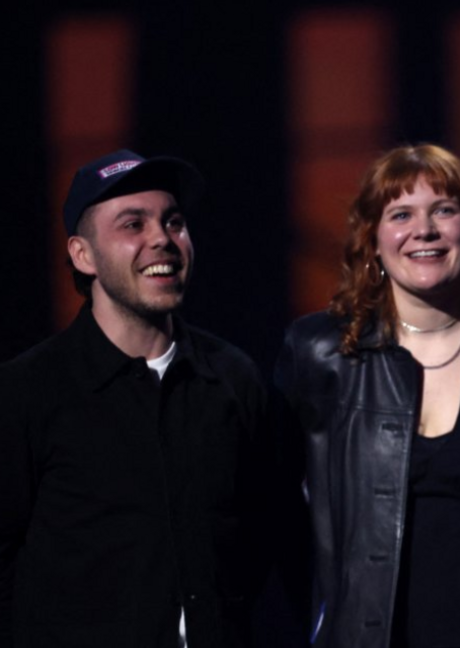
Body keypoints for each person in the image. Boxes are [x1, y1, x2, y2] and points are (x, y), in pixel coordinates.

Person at [274, 145, 460, 648]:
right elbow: (275, 515)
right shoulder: (320, 354)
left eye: (444, 210)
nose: (424, 230)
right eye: (401, 214)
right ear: (372, 238)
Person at [0, 150, 271, 647]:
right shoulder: (25, 392)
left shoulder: (234, 379)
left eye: (173, 221)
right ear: (83, 255)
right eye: (133, 224)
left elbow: (265, 546)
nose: (161, 239)